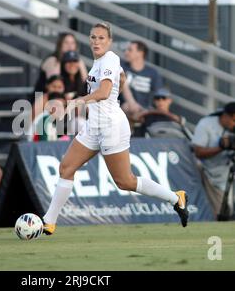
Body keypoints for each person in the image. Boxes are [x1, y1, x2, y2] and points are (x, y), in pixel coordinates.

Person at [42, 23, 189, 236]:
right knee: (66, 168)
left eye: (101, 38)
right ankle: (49, 222)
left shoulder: (110, 58)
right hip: (94, 125)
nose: (96, 41)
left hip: (112, 126)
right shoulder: (99, 63)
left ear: (109, 41)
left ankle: (177, 198)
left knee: (125, 181)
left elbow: (104, 92)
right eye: (93, 37)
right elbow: (119, 79)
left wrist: (79, 101)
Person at [192, 102, 235, 220]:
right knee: (223, 210)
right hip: (212, 172)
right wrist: (221, 147)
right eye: (233, 120)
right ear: (225, 116)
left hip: (228, 169)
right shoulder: (206, 124)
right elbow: (198, 152)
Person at [120, 40, 163, 121]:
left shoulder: (152, 73)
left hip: (144, 111)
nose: (126, 52)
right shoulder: (122, 67)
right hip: (124, 108)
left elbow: (159, 94)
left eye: (130, 50)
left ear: (140, 53)